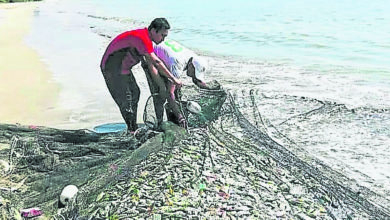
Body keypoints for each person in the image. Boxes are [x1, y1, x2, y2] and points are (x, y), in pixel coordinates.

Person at [100, 18, 182, 132]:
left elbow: (150, 66)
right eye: (162, 35)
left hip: (123, 69)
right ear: (153, 30)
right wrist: (173, 79)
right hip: (112, 69)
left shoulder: (146, 39)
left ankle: (132, 127)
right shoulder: (142, 38)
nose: (163, 39)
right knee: (127, 100)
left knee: (135, 93)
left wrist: (162, 86)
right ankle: (132, 130)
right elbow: (156, 62)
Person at [151, 39, 219, 128]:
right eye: (195, 73)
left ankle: (174, 116)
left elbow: (196, 80)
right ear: (190, 65)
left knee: (177, 92)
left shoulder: (193, 58)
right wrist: (180, 117)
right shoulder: (178, 64)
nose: (194, 76)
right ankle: (160, 124)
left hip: (165, 57)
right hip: (150, 56)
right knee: (161, 94)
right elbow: (169, 93)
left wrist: (210, 89)